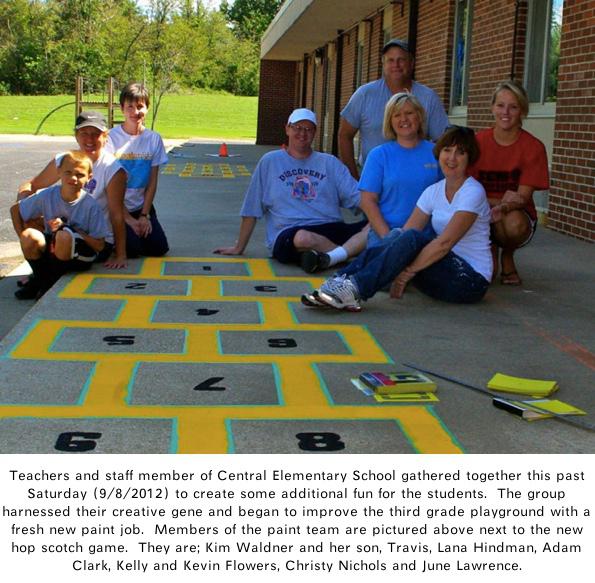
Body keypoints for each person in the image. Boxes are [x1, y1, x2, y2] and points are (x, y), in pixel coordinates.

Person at [303, 126, 491, 311]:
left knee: (412, 240)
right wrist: (396, 256)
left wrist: (405, 273)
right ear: (439, 153)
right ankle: (338, 282)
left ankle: (355, 289)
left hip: (469, 281)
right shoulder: (433, 191)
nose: (451, 158)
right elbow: (403, 236)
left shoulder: (472, 192)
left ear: (469, 158)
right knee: (400, 237)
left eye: (460, 152)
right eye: (447, 150)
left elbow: (444, 243)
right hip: (439, 269)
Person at [214, 108, 367, 273]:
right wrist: (239, 247)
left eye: (308, 129)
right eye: (297, 128)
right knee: (304, 238)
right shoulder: (270, 162)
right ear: (287, 128)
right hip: (289, 233)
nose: (303, 133)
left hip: (331, 227)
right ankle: (351, 261)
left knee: (377, 225)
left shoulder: (330, 163)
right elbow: (252, 207)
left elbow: (359, 198)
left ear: (315, 132)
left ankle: (322, 258)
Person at [18, 111, 128, 269]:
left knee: (63, 237)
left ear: (105, 137)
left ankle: (43, 276)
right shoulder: (64, 160)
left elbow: (116, 214)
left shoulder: (113, 169)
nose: (89, 139)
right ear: (76, 135)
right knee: (30, 232)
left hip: (91, 238)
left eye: (95, 134)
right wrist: (23, 201)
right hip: (61, 230)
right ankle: (36, 268)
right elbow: (32, 185)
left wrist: (120, 254)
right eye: (84, 133)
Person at [470, 80, 549, 285]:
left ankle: (507, 254)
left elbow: (522, 198)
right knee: (488, 275)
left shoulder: (533, 147)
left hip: (514, 215)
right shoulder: (477, 143)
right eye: (500, 105)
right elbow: (466, 190)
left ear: (522, 110)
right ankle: (491, 249)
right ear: (492, 107)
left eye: (513, 106)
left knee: (513, 224)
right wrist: (500, 202)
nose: (506, 112)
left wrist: (502, 205)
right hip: (481, 211)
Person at [339, 38, 449, 180]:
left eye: (401, 60)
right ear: (383, 64)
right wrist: (354, 180)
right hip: (373, 180)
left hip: (416, 181)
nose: (396, 65)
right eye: (390, 60)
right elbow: (344, 135)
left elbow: (443, 140)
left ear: (411, 63)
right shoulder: (364, 94)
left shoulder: (428, 98)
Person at [11, 151, 108, 300]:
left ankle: (48, 282)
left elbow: (100, 246)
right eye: (68, 172)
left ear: (89, 178)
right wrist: (22, 237)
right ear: (59, 173)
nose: (73, 178)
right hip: (55, 248)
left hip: (81, 255)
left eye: (80, 175)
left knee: (64, 234)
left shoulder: (91, 205)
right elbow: (15, 210)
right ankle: (39, 278)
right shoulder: (47, 195)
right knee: (29, 235)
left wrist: (71, 230)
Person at [106, 82, 169, 257]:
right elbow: (109, 187)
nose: (135, 112)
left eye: (140, 106)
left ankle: (137, 227)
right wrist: (128, 220)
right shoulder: (111, 138)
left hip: (141, 206)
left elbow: (152, 181)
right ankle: (112, 236)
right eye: (130, 107)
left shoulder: (154, 139)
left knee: (158, 249)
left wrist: (144, 216)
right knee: (133, 250)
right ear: (122, 108)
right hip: (117, 206)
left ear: (147, 108)